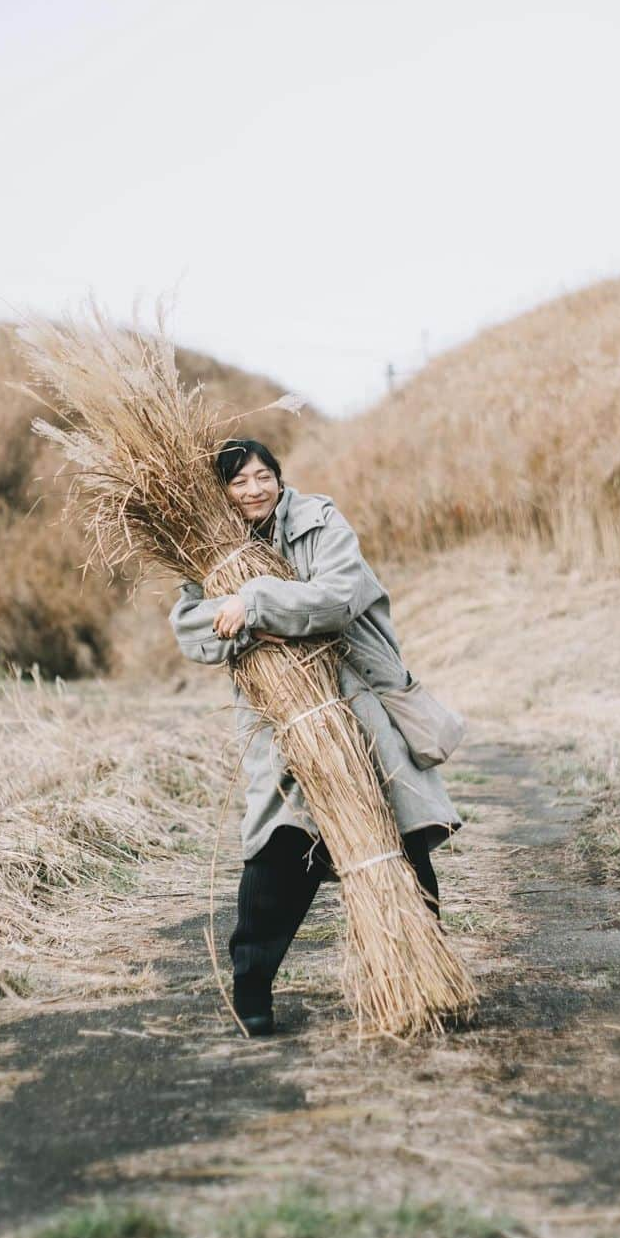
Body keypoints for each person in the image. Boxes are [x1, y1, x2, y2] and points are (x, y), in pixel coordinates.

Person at [169, 438, 461, 1036]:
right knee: (276, 852)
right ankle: (251, 989)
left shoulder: (319, 521)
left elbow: (336, 600)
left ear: (279, 477)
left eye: (262, 475)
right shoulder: (210, 548)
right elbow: (192, 630)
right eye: (238, 482)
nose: (253, 489)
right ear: (220, 493)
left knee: (399, 845)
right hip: (281, 721)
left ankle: (427, 975)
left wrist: (254, 604)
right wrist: (245, 615)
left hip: (355, 707)